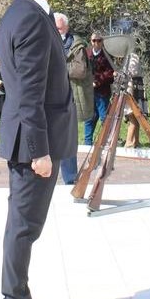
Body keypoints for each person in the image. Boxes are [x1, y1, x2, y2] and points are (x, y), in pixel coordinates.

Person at [0, 0, 73, 299]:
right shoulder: (28, 16)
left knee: (25, 226)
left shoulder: (27, 13)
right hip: (32, 144)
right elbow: (28, 91)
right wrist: (39, 150)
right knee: (24, 227)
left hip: (33, 139)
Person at [54, 12, 92, 185]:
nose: (56, 30)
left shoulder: (77, 46)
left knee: (68, 138)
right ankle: (46, 176)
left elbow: (80, 70)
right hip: (49, 96)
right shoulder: (45, 41)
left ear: (66, 27)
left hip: (70, 97)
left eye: (59, 28)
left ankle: (69, 178)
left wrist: (58, 67)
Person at [83, 32, 115, 145]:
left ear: (102, 41)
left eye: (99, 40)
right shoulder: (86, 53)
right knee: (89, 119)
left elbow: (111, 73)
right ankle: (87, 143)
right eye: (94, 40)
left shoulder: (107, 55)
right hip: (89, 92)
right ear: (91, 41)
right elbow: (82, 70)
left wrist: (97, 82)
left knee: (104, 118)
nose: (96, 43)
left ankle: (107, 142)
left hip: (102, 92)